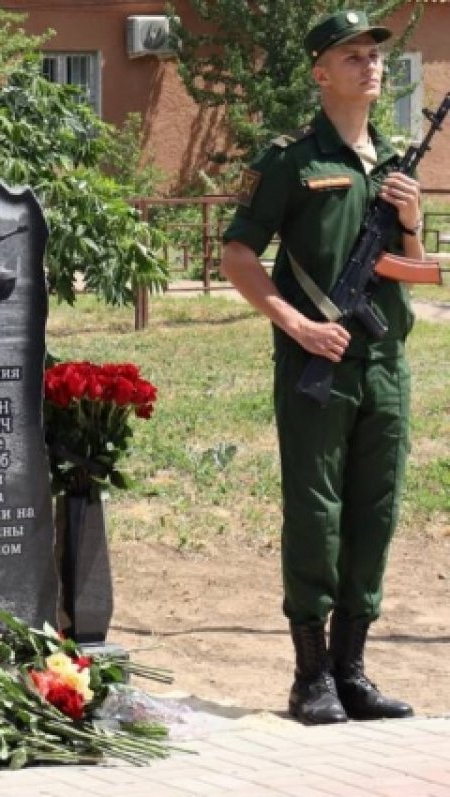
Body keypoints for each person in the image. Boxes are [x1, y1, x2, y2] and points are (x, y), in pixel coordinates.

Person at [220, 10, 421, 726]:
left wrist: (414, 221)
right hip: (317, 363)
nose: (371, 65)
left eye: (374, 54)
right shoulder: (292, 160)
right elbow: (238, 254)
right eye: (353, 55)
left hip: (385, 362)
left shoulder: (396, 164)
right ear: (320, 72)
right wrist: (298, 324)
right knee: (316, 511)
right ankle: (310, 675)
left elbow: (412, 269)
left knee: (376, 511)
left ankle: (352, 669)